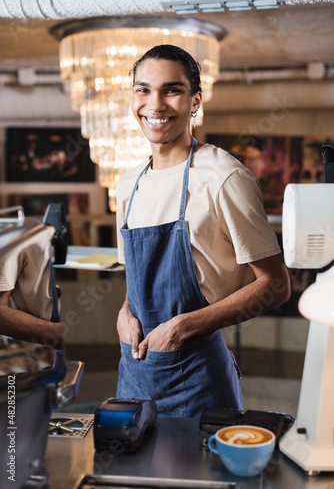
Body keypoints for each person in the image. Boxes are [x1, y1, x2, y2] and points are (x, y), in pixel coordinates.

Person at [115, 44, 291, 418]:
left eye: (172, 90)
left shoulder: (224, 177)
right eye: (144, 90)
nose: (155, 104)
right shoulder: (127, 184)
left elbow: (276, 286)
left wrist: (183, 327)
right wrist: (125, 310)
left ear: (195, 101)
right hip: (134, 373)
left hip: (197, 382)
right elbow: (138, 280)